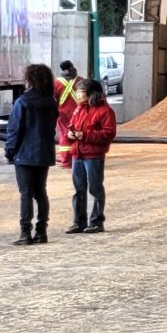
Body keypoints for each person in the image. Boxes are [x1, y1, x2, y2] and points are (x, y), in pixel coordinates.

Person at [5, 63, 57, 245]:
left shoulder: (23, 102)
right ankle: (41, 231)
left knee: (26, 194)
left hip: (25, 154)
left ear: (30, 80)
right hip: (44, 154)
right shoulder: (51, 102)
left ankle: (25, 233)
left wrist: (9, 152)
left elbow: (14, 130)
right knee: (41, 192)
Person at [64, 79, 115, 235]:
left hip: (93, 156)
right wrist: (70, 134)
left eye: (81, 91)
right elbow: (71, 127)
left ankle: (96, 221)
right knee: (79, 189)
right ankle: (79, 222)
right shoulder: (78, 109)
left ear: (91, 93)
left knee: (95, 188)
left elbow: (108, 133)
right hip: (77, 154)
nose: (78, 94)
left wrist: (85, 135)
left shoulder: (105, 111)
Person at [53, 61, 79, 169]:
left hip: (63, 114)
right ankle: (78, 158)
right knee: (78, 135)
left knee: (64, 136)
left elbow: (53, 99)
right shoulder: (80, 81)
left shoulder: (56, 83)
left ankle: (67, 161)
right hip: (79, 113)